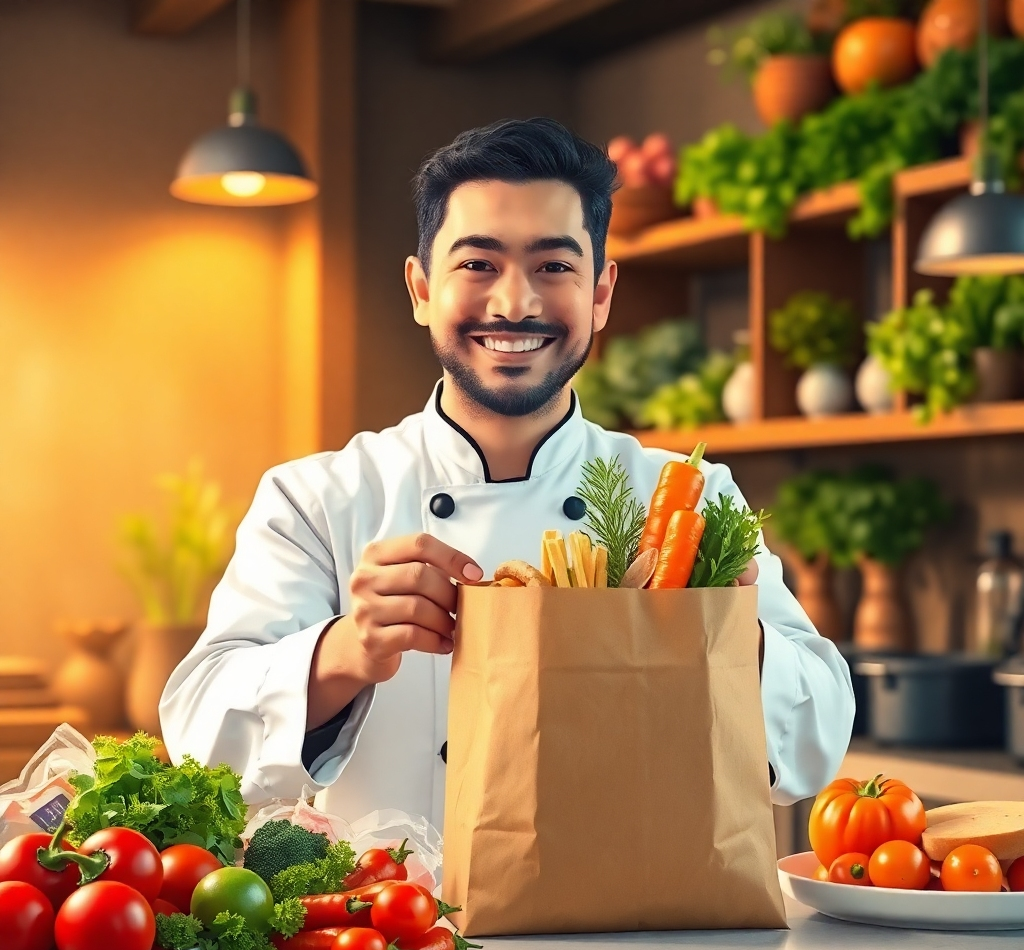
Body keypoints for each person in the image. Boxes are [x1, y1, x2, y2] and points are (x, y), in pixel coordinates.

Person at [160, 118, 853, 827]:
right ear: (421, 289)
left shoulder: (687, 502)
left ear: (601, 293)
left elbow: (817, 742)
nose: (515, 303)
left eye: (554, 267)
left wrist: (729, 638)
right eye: (477, 264)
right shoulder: (315, 500)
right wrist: (347, 648)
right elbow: (198, 742)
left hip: (621, 900)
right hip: (388, 898)